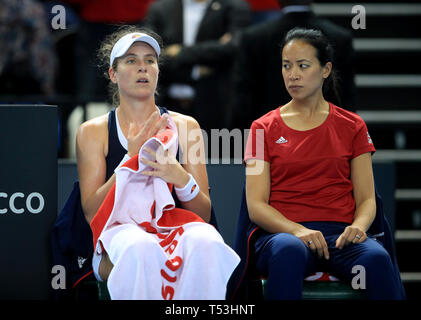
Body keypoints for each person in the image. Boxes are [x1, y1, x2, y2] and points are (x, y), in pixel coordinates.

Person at [75, 26, 239, 299]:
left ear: (158, 71)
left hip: (175, 227)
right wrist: (130, 158)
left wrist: (178, 176)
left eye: (150, 60)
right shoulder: (93, 131)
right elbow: (92, 214)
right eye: (131, 61)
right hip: (118, 236)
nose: (143, 67)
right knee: (141, 249)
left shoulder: (187, 127)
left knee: (207, 241)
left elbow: (204, 215)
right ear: (113, 74)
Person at [242, 27, 405, 300]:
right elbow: (256, 206)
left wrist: (359, 227)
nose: (292, 74)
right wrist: (298, 231)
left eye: (303, 66)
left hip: (342, 237)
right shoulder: (262, 128)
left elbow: (366, 199)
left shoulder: (352, 126)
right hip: (286, 235)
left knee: (376, 258)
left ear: (325, 69)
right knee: (288, 252)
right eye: (286, 66)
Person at [229, 0, 356, 130]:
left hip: (268, 138)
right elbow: (345, 98)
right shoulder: (339, 37)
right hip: (326, 138)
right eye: (287, 66)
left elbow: (243, 101)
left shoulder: (253, 38)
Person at [144, 0, 251, 132]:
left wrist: (180, 51)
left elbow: (233, 49)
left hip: (215, 109)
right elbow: (149, 56)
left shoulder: (234, 7)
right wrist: (195, 71)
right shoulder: (161, 8)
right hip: (166, 106)